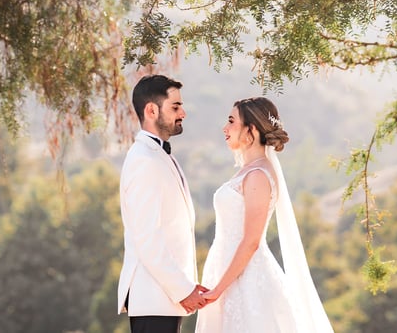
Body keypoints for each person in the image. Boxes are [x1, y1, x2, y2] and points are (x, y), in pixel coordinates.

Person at [195, 97, 334, 333]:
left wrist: (218, 289)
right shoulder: (247, 171)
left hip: (246, 280)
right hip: (227, 274)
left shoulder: (258, 175)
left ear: (251, 130)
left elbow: (251, 241)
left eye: (231, 121)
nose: (225, 128)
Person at [117, 74, 208, 333]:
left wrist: (187, 286)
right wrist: (183, 290)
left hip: (162, 301)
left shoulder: (158, 155)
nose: (184, 113)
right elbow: (148, 238)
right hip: (153, 298)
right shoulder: (145, 160)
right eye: (176, 107)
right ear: (151, 110)